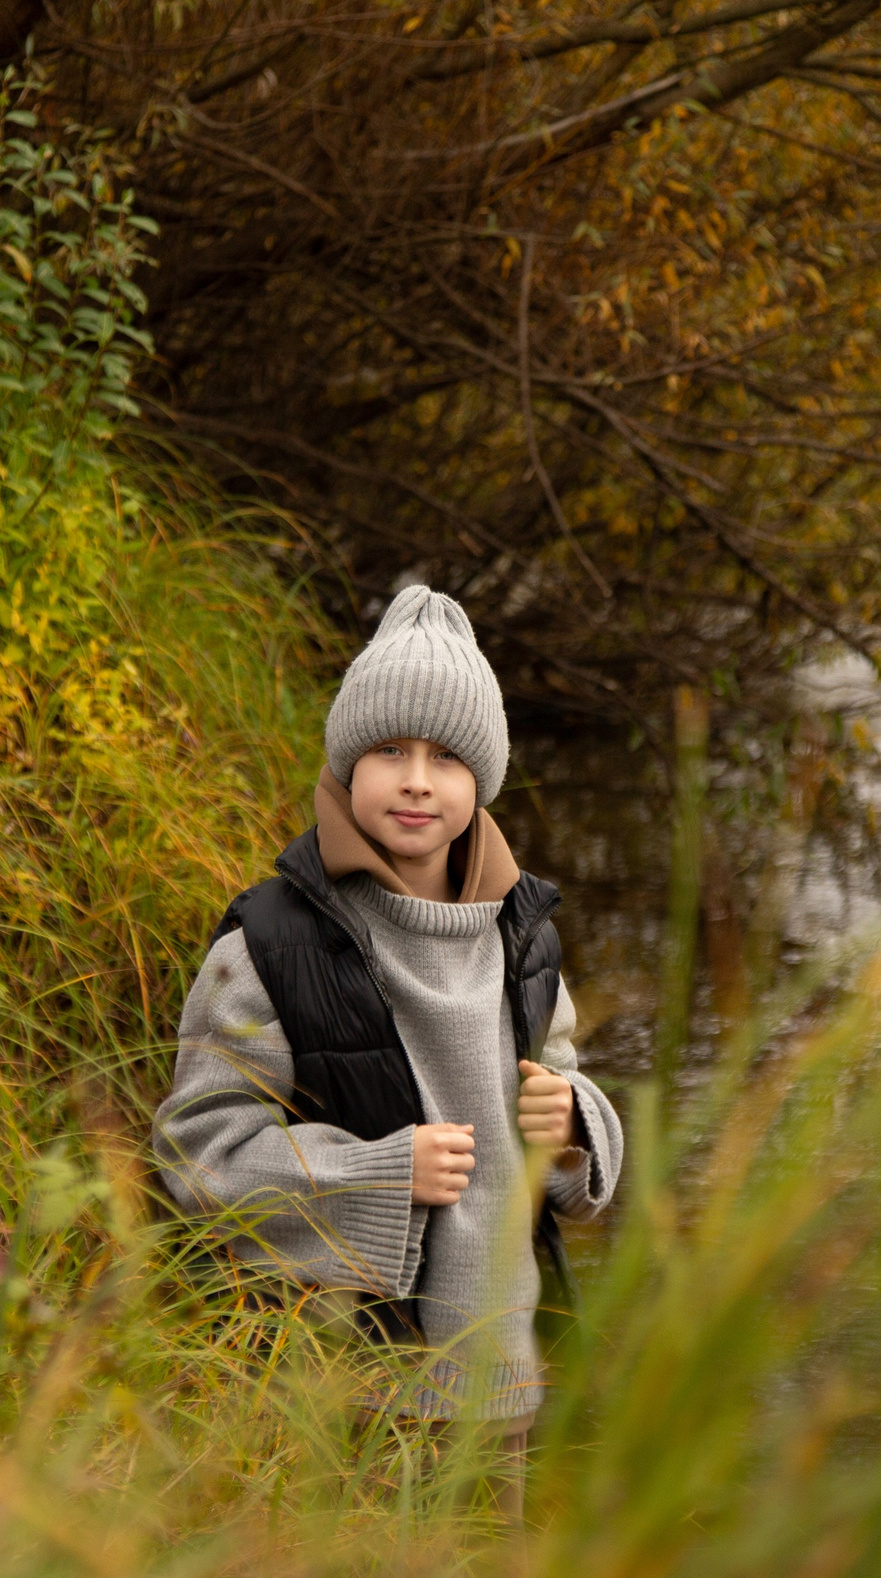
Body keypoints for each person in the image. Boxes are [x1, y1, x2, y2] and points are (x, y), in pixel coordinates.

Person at [154, 586, 624, 1507]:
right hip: (345, 1390)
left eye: (447, 756)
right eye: (389, 750)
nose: (417, 778)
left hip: (506, 1381)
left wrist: (575, 1123)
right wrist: (377, 1173)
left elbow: (562, 1124)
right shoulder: (271, 945)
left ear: (480, 780)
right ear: (347, 764)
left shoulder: (523, 941)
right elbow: (196, 1153)